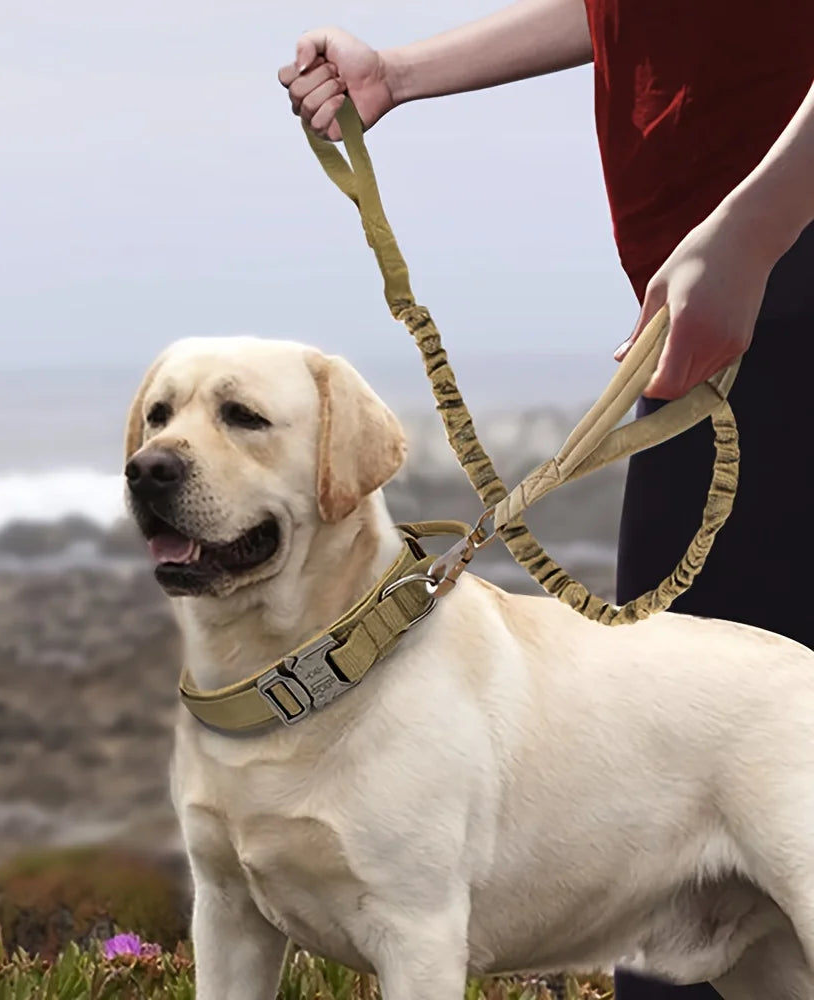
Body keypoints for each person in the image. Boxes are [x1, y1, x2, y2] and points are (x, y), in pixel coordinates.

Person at [278, 3, 814, 997]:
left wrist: (754, 231)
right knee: (695, 773)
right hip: (731, 308)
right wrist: (400, 70)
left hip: (768, 282)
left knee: (679, 771)